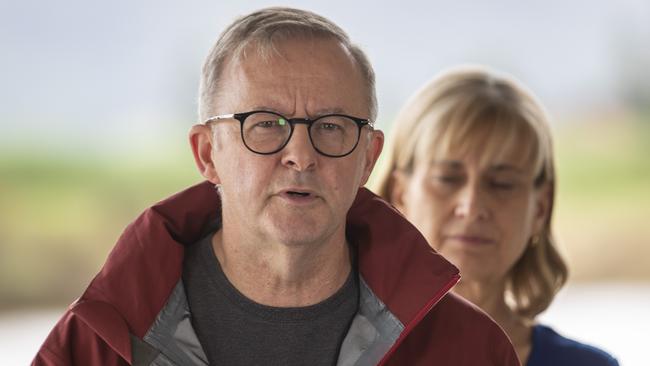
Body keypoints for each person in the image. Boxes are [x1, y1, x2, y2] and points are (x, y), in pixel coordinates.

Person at [33, 9, 520, 366]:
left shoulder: (469, 349)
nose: (301, 155)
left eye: (331, 126)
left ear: (368, 157)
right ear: (207, 153)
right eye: (265, 123)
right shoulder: (95, 345)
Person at [373, 66, 619, 366]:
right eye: (448, 178)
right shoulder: (347, 355)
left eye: (502, 183)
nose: (473, 206)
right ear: (400, 195)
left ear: (539, 208)